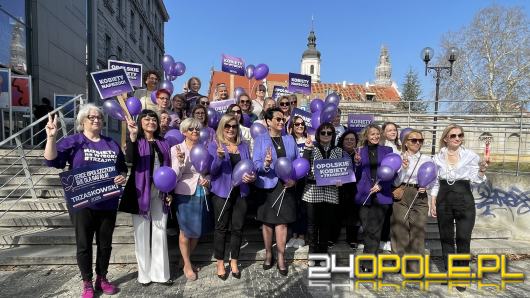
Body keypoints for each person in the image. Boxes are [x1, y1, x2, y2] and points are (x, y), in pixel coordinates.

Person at [44, 104, 127, 297]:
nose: (96, 120)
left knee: (105, 244)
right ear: (82, 121)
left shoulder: (111, 143)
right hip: (82, 203)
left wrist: (121, 176)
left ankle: (102, 278)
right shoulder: (74, 141)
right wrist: (50, 137)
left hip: (108, 202)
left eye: (99, 117)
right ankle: (87, 281)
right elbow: (51, 161)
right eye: (92, 117)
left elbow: (122, 168)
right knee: (84, 244)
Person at [119, 110, 173, 286]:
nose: (151, 121)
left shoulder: (164, 142)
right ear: (141, 122)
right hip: (139, 191)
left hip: (161, 191)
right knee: (141, 233)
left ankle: (160, 274)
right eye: (147, 119)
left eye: (154, 119)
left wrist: (170, 191)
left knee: (160, 230)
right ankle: (144, 275)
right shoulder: (137, 140)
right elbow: (129, 160)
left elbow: (169, 167)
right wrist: (132, 137)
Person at [431, 124, 488, 271]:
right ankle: (450, 271)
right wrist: (432, 202)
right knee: (446, 238)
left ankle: (461, 273)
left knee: (463, 238)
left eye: (460, 135)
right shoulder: (436, 158)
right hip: (443, 200)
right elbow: (435, 183)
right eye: (453, 135)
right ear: (445, 139)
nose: (457, 138)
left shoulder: (471, 156)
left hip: (464, 200)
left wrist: (482, 170)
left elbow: (477, 180)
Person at [208, 114, 255, 280]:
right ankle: (220, 262)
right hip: (221, 192)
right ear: (222, 127)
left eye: (234, 126)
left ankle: (234, 260)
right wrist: (220, 158)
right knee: (220, 228)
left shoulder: (243, 146)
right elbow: (211, 171)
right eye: (227, 126)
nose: (231, 129)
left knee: (238, 228)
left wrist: (252, 177)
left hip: (241, 193)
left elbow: (250, 168)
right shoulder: (215, 145)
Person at [253, 107, 298, 276]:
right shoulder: (260, 139)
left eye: (283, 119)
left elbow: (297, 163)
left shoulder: (289, 139)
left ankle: (281, 257)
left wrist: (294, 179)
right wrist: (265, 163)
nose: (281, 122)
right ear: (268, 122)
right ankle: (268, 253)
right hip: (267, 185)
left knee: (282, 223)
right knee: (267, 223)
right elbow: (255, 164)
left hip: (286, 185)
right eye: (277, 119)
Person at [171, 118, 212, 281]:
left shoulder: (205, 148)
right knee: (185, 231)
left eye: (196, 129)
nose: (194, 132)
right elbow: (174, 175)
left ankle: (184, 259)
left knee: (197, 231)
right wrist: (180, 163)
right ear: (183, 132)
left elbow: (208, 171)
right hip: (184, 192)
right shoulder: (177, 148)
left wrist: (207, 180)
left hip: (201, 191)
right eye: (190, 129)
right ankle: (187, 265)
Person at [391, 129, 433, 271]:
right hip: (402, 192)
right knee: (400, 228)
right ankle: (399, 263)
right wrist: (403, 169)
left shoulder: (427, 159)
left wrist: (427, 186)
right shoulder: (398, 157)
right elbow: (394, 181)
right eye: (413, 140)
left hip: (420, 194)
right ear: (406, 143)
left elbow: (434, 178)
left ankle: (415, 266)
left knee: (418, 230)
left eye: (420, 141)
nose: (417, 143)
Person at [354, 124, 393, 270]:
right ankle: (368, 262)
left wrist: (382, 185)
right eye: (372, 134)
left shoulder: (388, 150)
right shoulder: (359, 151)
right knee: (368, 230)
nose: (375, 136)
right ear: (366, 136)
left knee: (375, 231)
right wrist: (357, 163)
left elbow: (392, 171)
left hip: (381, 195)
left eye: (377, 134)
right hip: (364, 194)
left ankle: (368, 265)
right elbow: (356, 175)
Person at [302, 123, 343, 258]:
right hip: (313, 190)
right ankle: (312, 253)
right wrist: (307, 149)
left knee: (326, 224)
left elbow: (341, 170)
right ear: (318, 134)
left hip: (331, 191)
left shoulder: (338, 151)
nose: (326, 135)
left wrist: (340, 180)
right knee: (312, 225)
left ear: (333, 135)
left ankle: (323, 253)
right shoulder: (311, 148)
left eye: (329, 133)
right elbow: (303, 165)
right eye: (323, 133)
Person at [334, 130, 360, 249]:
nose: (349, 141)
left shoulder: (359, 153)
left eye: (352, 139)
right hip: (338, 186)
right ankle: (332, 237)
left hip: (354, 187)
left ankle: (352, 238)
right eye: (347, 139)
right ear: (342, 141)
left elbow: (361, 172)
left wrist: (357, 163)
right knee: (336, 213)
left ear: (356, 142)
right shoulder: (337, 153)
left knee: (353, 214)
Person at [286, 116, 308, 249]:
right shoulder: (288, 141)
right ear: (292, 126)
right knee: (293, 207)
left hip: (305, 179)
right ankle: (294, 235)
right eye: (297, 124)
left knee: (303, 207)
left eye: (302, 124)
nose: (300, 126)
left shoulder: (309, 141)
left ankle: (302, 236)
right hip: (291, 179)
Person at [379, 121, 401, 252]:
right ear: (384, 133)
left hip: (398, 183)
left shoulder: (399, 146)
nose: (393, 132)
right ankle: (384, 239)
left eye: (394, 130)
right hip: (387, 183)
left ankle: (389, 238)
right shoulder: (384, 147)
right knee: (386, 213)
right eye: (389, 130)